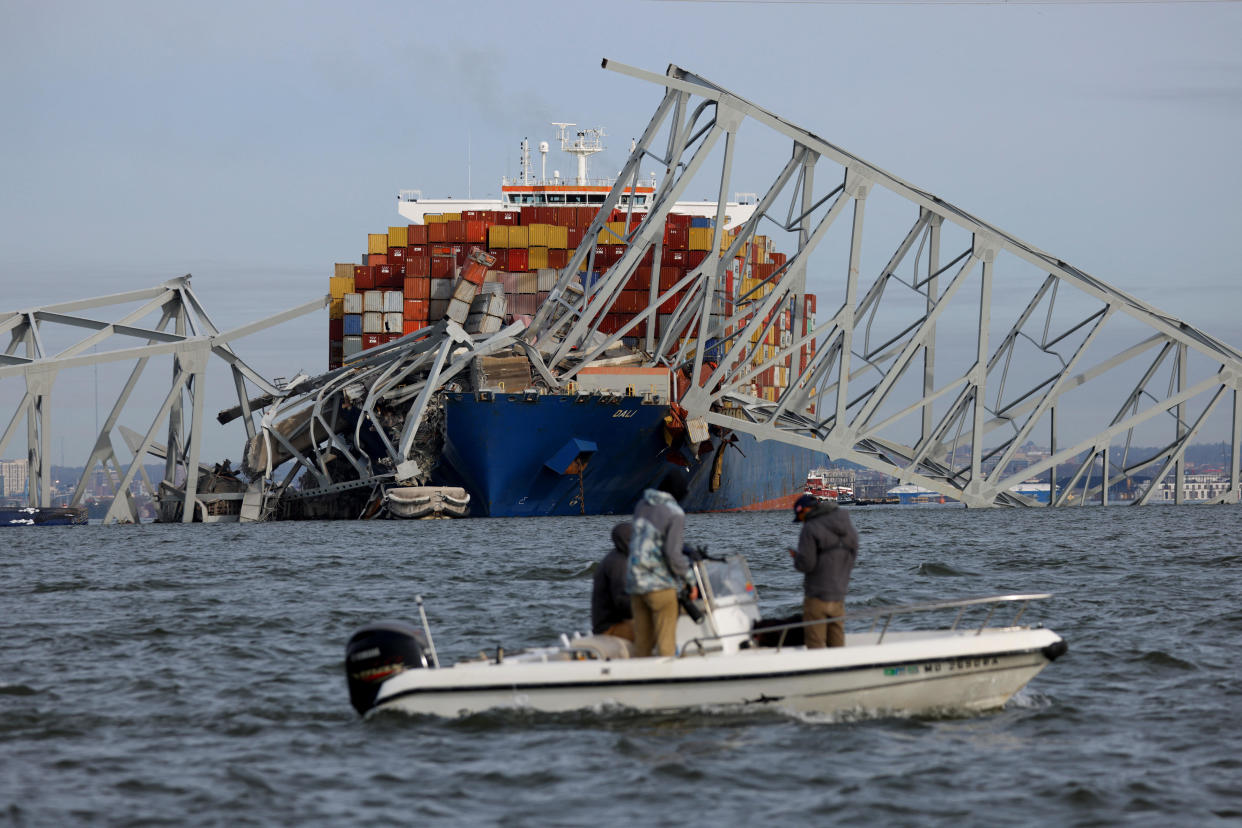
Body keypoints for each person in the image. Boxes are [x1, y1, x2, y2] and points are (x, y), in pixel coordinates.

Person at [626, 468, 695, 657]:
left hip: (635, 584)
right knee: (666, 646)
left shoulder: (641, 505)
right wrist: (690, 580)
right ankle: (669, 683)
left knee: (642, 645)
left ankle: (640, 683)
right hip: (659, 585)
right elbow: (673, 554)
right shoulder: (675, 513)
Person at [789, 493, 859, 648]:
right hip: (839, 595)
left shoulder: (811, 527)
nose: (801, 521)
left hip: (817, 596)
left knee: (816, 645)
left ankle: (820, 671)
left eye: (800, 516)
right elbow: (852, 555)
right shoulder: (847, 525)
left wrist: (796, 558)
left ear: (805, 510)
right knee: (837, 645)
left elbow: (807, 564)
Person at [591, 522, 635, 640]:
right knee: (651, 629)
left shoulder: (617, 558)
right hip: (610, 627)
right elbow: (622, 601)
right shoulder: (619, 564)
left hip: (612, 623)